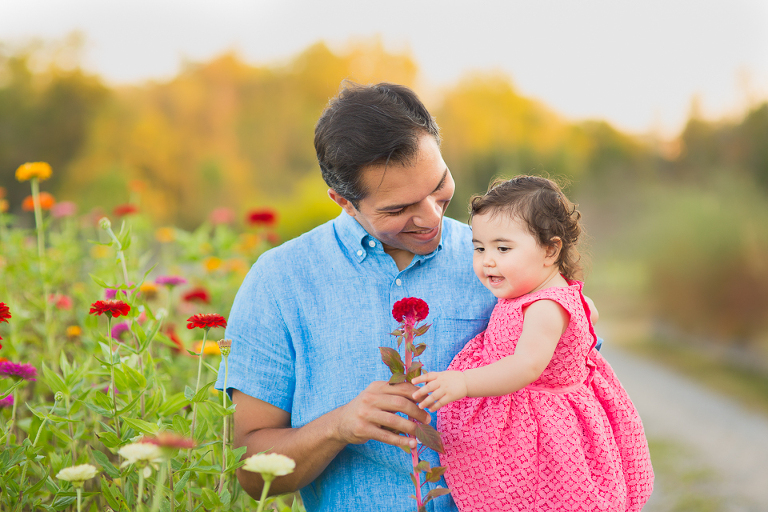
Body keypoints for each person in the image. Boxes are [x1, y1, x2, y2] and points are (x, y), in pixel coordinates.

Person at [216, 82, 499, 511]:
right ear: (343, 200)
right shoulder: (279, 281)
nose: (430, 216)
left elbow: (573, 390)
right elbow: (253, 475)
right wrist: (339, 426)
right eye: (398, 209)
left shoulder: (502, 262)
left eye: (439, 185)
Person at [411, 176, 654, 511]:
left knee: (542, 495)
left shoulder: (545, 306)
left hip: (542, 425)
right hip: (526, 413)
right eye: (479, 248)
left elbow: (526, 365)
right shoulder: (540, 294)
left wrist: (464, 382)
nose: (488, 261)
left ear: (550, 250)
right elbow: (589, 315)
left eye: (503, 248)